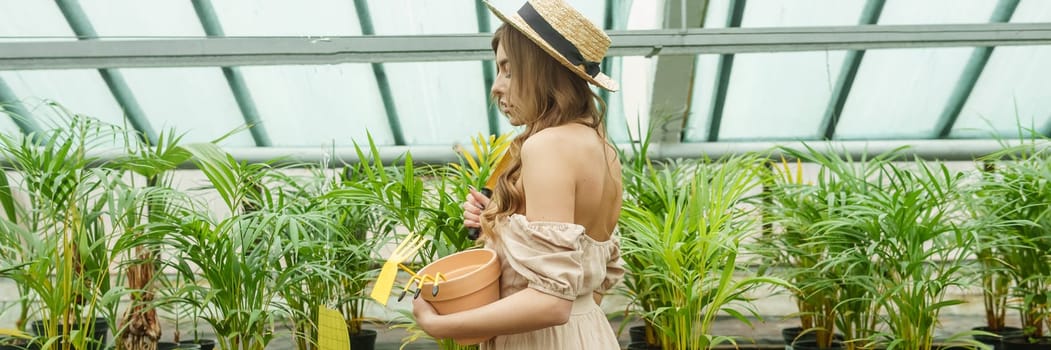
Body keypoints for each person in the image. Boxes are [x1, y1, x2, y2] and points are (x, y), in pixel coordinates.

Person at [412, 0, 624, 349]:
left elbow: (551, 302)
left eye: (508, 70)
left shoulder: (546, 146)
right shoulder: (602, 148)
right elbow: (590, 277)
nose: (496, 87)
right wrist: (498, 225)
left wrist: (441, 325)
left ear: (545, 70)